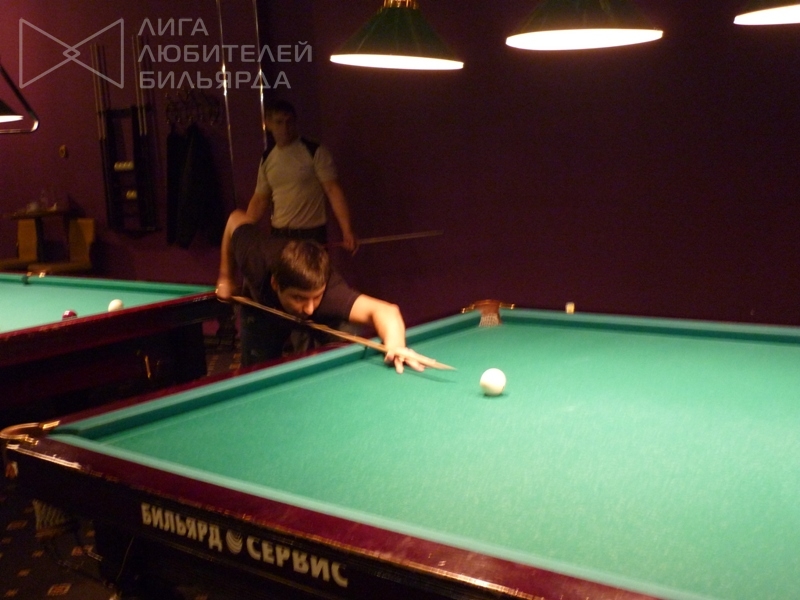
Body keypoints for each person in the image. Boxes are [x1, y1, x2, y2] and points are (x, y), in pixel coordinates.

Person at [216, 209, 424, 373]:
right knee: (256, 368)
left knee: (347, 332)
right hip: (261, 309)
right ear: (276, 284)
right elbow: (235, 219)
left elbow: (386, 311)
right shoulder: (255, 257)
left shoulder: (331, 294)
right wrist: (225, 277)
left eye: (316, 297)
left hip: (323, 319)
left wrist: (396, 346)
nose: (309, 308)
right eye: (299, 298)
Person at [246, 100, 357, 252]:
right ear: (269, 124)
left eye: (289, 122)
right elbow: (260, 199)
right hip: (280, 235)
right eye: (279, 122)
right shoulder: (267, 158)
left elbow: (332, 190)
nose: (285, 128)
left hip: (311, 234)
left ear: (295, 122)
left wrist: (347, 230)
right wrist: (245, 231)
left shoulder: (314, 151)